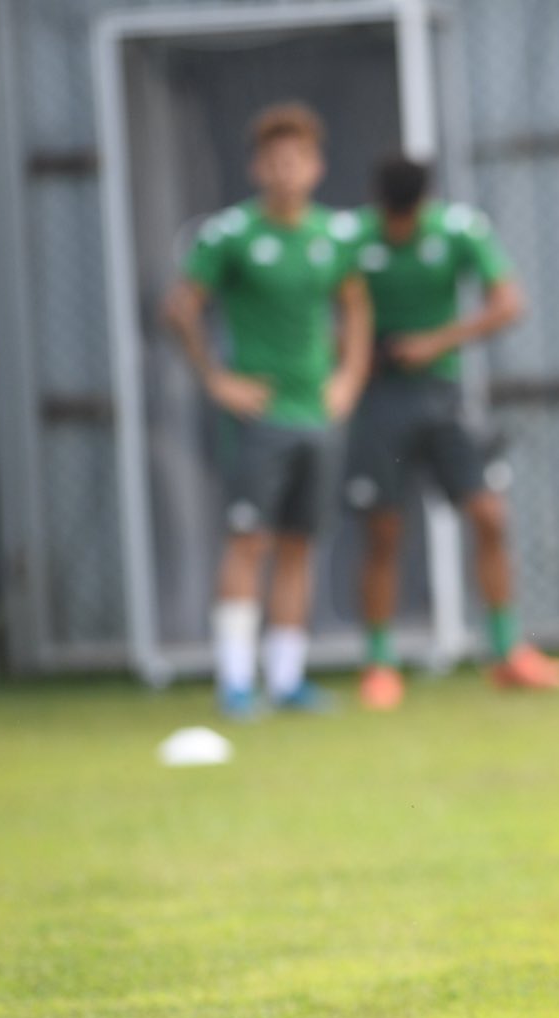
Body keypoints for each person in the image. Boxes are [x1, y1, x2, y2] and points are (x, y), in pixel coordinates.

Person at [164, 102, 371, 718]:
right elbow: (180, 308)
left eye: (297, 160)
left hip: (318, 412)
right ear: (258, 167)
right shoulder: (231, 235)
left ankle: (286, 679)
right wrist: (215, 379)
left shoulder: (333, 236)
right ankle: (234, 680)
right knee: (249, 540)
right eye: (275, 160)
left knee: (300, 544)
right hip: (260, 416)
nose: (286, 171)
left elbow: (356, 308)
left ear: (317, 167)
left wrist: (351, 376)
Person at [344, 157, 559, 707]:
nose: (399, 228)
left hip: (441, 398)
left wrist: (435, 342)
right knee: (384, 531)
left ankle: (507, 651)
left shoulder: (458, 230)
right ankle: (379, 663)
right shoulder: (351, 240)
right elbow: (325, 307)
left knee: (489, 515)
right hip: (378, 402)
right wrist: (351, 353)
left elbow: (508, 303)